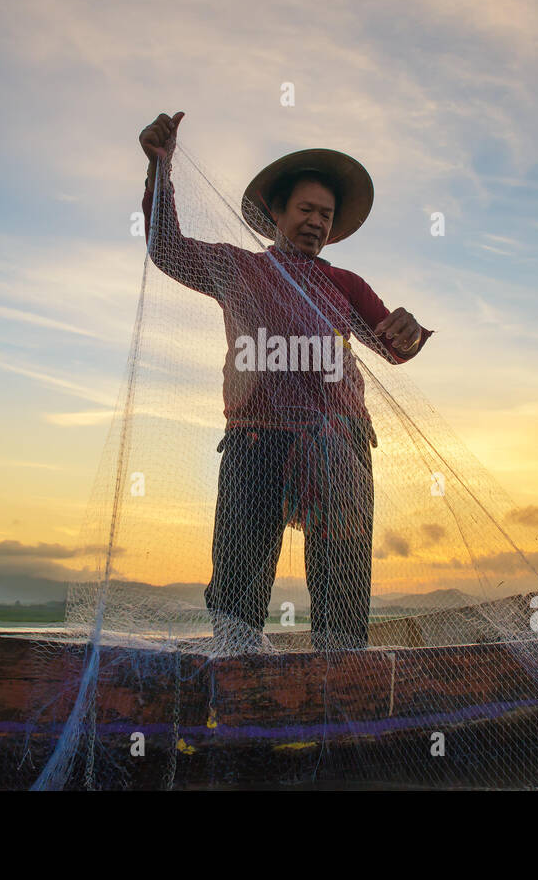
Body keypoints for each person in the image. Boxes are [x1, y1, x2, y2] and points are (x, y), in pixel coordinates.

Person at [139, 111, 432, 652]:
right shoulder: (239, 270)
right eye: (306, 210)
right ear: (276, 212)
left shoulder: (345, 284)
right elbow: (167, 248)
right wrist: (160, 171)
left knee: (341, 584)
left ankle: (341, 685)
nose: (317, 222)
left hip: (338, 444)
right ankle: (235, 676)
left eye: (326, 215)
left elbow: (394, 346)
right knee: (238, 577)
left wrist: (408, 333)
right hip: (256, 440)